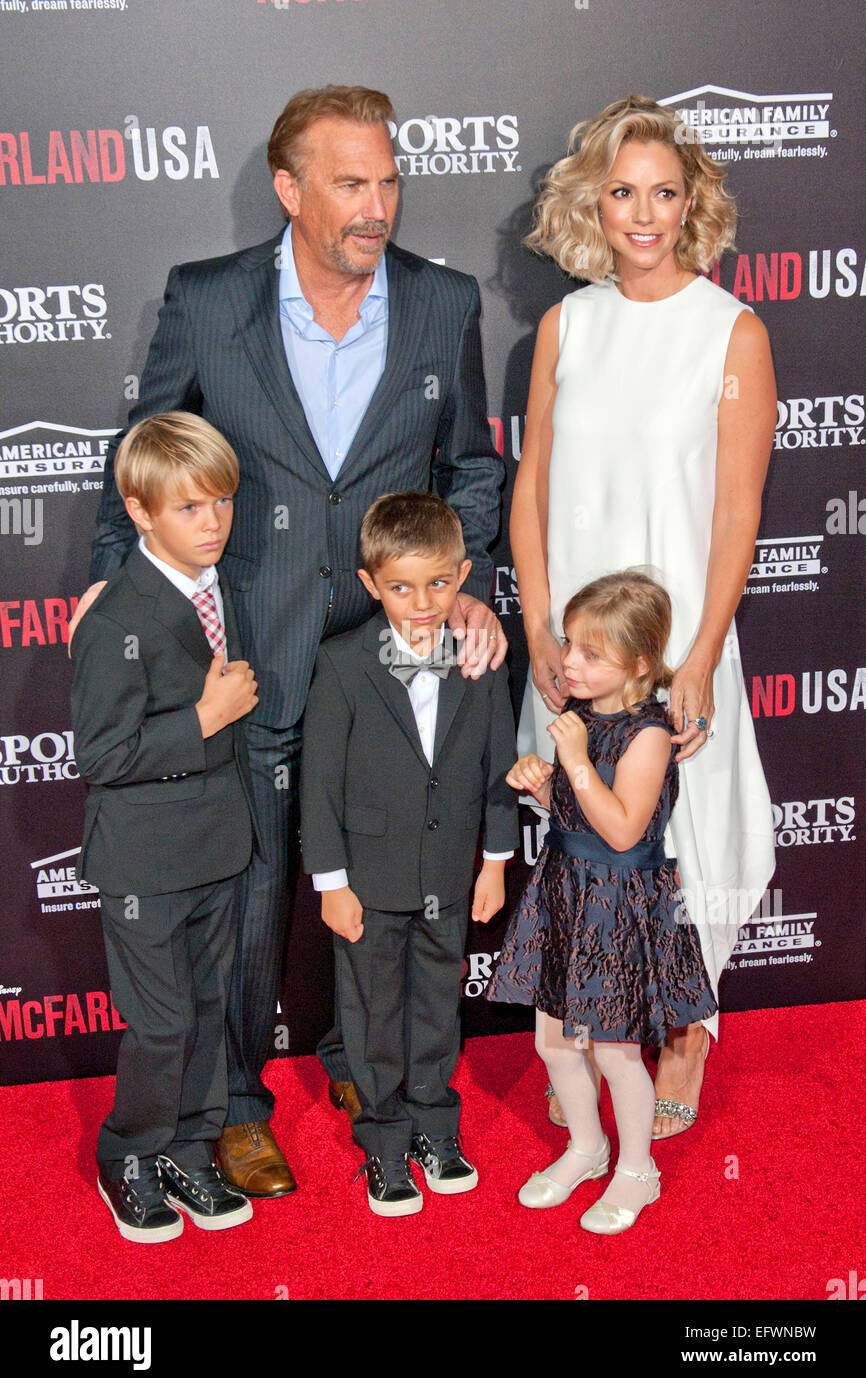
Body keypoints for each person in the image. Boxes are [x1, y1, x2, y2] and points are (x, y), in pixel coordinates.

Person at [81, 86, 506, 1196]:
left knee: (384, 883)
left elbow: (469, 465)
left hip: (386, 664)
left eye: (389, 181)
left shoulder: (441, 303)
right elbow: (145, 449)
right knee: (247, 895)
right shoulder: (208, 298)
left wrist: (474, 587)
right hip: (251, 655)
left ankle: (374, 1074)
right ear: (289, 188)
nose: (377, 205)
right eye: (351, 182)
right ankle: (229, 1106)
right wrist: (107, 587)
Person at [509, 94, 776, 1138]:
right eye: (621, 192)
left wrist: (701, 651)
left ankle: (685, 1033)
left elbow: (737, 508)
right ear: (591, 202)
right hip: (574, 639)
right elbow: (531, 483)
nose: (642, 213)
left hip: (674, 640)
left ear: (690, 203)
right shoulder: (565, 323)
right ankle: (591, 1016)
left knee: (684, 831)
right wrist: (537, 626)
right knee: (584, 829)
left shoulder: (729, 331)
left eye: (663, 193)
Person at [300, 492, 519, 1215]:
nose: (421, 602)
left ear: (462, 575)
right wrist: (332, 883)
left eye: (437, 584)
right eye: (400, 586)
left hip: (452, 874)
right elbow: (320, 785)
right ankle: (385, 1142)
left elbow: (496, 768)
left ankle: (435, 1127)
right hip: (368, 878)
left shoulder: (480, 658)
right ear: (370, 585)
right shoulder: (340, 664)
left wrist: (493, 863)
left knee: (435, 1008)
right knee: (369, 1014)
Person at [70, 412, 259, 1243]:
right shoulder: (116, 614)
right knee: (160, 1021)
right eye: (188, 507)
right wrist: (207, 717)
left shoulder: (229, 583)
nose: (212, 521)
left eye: (221, 500)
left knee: (209, 1005)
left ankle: (190, 1145)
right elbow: (103, 754)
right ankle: (132, 1156)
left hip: (219, 843)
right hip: (145, 859)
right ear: (140, 512)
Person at [489, 572, 717, 1233]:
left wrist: (576, 763)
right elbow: (583, 813)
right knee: (555, 1041)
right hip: (565, 889)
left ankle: (637, 1169)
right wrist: (542, 786)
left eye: (592, 654)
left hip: (620, 903)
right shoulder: (581, 718)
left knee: (616, 1050)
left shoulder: (647, 733)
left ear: (640, 664)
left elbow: (623, 830)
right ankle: (588, 1149)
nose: (569, 662)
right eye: (569, 644)